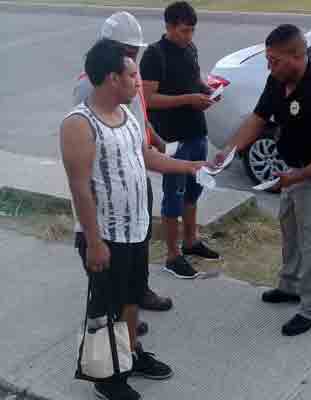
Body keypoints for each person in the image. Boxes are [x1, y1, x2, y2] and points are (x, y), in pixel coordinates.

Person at [61, 39, 211, 399]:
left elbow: (146, 157)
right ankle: (106, 378)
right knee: (106, 308)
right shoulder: (79, 125)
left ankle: (130, 355)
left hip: (135, 230)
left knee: (130, 300)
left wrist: (190, 166)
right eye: (132, 76)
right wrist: (95, 243)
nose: (137, 82)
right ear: (112, 78)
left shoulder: (127, 115)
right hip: (105, 236)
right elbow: (81, 190)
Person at [213, 24, 311, 336]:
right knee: (290, 233)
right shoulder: (277, 81)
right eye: (268, 59)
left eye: (274, 60)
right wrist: (228, 152)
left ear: (297, 56)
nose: (269, 66)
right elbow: (257, 119)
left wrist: (297, 176)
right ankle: (290, 287)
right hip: (291, 173)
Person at [72, 12, 173, 341]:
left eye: (135, 51)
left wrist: (152, 133)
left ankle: (135, 294)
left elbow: (135, 111)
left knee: (138, 242)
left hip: (135, 170)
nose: (133, 57)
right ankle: (104, 319)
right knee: (110, 262)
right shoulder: (89, 84)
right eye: (127, 51)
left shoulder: (129, 73)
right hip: (110, 184)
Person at [140, 1, 221, 279]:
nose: (189, 37)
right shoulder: (154, 55)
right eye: (184, 31)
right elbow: (147, 100)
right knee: (172, 197)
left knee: (193, 191)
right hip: (172, 139)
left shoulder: (190, 49)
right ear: (169, 26)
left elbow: (193, 79)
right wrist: (189, 99)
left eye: (192, 31)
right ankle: (172, 255)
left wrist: (207, 90)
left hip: (196, 130)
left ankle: (190, 242)